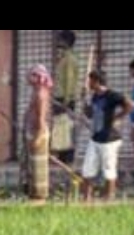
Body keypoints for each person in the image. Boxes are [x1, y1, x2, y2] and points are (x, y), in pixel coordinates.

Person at [81, 70, 134, 201]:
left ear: (97, 81)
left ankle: (108, 199)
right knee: (87, 169)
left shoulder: (111, 95)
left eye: (90, 80)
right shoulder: (95, 96)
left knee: (109, 170)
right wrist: (84, 100)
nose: (88, 83)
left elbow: (130, 105)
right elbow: (90, 114)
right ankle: (86, 199)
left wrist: (117, 118)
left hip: (110, 139)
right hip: (95, 138)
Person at [24, 64, 53, 202]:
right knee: (32, 165)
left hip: (38, 132)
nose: (29, 77)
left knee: (38, 166)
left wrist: (38, 137)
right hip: (33, 131)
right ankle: (33, 194)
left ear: (38, 77)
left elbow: (40, 118)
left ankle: (40, 196)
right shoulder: (36, 92)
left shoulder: (41, 93)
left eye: (32, 75)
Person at [51, 31, 80, 166]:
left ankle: (66, 158)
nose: (58, 43)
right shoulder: (64, 58)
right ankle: (63, 157)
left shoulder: (68, 60)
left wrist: (66, 102)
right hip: (61, 98)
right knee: (61, 128)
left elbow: (68, 81)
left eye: (60, 40)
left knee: (65, 128)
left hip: (63, 99)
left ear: (66, 42)